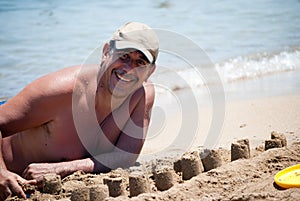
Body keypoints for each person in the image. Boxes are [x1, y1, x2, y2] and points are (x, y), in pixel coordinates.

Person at [0, 22, 159, 200]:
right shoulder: (64, 90)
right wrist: (1, 173)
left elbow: (124, 156)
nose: (129, 68)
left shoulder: (142, 96)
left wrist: (59, 169)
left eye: (140, 62)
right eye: (124, 56)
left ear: (150, 71)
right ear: (106, 52)